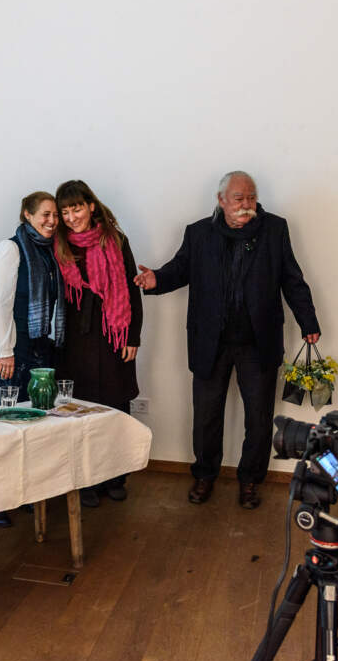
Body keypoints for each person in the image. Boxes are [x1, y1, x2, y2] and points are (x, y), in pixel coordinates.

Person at [133, 171, 320, 510]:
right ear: (221, 200)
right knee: (206, 416)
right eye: (239, 198)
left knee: (259, 418)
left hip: (257, 342)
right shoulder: (198, 233)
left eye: (251, 197)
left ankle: (250, 481)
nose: (246, 204)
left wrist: (308, 321)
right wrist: (155, 279)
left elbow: (292, 279)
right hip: (210, 342)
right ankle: (205, 475)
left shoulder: (275, 229)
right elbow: (180, 269)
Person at [0, 191, 64, 526]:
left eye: (55, 215)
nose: (52, 221)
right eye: (45, 214)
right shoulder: (10, 249)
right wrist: (5, 350)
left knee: (27, 424)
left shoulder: (50, 253)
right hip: (7, 349)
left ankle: (19, 491)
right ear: (27, 215)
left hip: (36, 350)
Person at [53, 179, 143, 506]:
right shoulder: (59, 244)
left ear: (91, 206)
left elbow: (131, 289)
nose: (71, 217)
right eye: (65, 212)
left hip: (113, 335)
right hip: (75, 340)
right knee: (80, 411)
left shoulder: (116, 240)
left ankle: (116, 477)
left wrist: (132, 336)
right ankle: (86, 481)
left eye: (76, 208)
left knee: (115, 408)